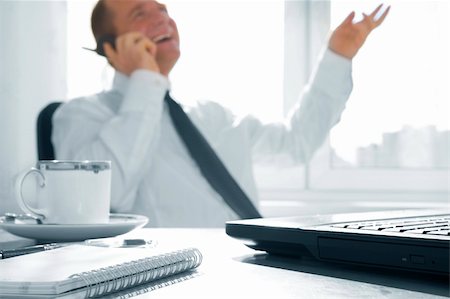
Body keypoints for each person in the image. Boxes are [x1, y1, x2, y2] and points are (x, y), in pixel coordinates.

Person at [52, 0, 389, 227]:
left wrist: (337, 56)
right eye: (140, 14)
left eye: (163, 9)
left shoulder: (211, 116)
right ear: (110, 48)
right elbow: (105, 200)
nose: (162, 18)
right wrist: (144, 80)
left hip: (251, 269)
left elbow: (296, 144)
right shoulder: (80, 116)